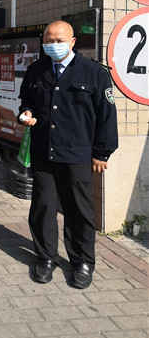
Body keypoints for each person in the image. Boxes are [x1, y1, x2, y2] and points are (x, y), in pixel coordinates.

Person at [18, 20, 118, 289]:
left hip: (78, 154)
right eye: (48, 41)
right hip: (43, 152)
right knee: (43, 206)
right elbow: (27, 101)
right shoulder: (36, 71)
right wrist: (26, 113)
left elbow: (107, 115)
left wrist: (102, 153)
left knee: (78, 210)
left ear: (73, 42)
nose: (54, 45)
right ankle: (46, 257)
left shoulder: (94, 73)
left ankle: (82, 261)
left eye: (59, 40)